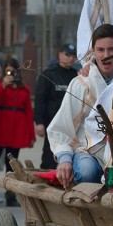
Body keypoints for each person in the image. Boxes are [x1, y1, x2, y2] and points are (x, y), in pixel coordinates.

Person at [49, 24, 113, 189]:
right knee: (87, 171)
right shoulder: (81, 84)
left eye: (111, 49)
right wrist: (65, 159)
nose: (106, 56)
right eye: (100, 50)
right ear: (93, 51)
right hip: (87, 150)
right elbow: (62, 126)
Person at [0, 58, 35, 206]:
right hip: (0, 127)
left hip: (17, 129)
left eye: (13, 71)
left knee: (12, 164)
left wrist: (31, 135)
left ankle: (11, 196)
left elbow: (28, 112)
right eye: (8, 71)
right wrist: (3, 84)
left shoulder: (25, 89)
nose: (11, 74)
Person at [34, 42, 78, 170]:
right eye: (67, 54)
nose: (70, 58)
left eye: (73, 55)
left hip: (71, 124)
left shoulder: (76, 76)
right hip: (51, 124)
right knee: (49, 156)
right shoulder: (48, 74)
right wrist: (39, 122)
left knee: (70, 156)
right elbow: (40, 99)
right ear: (59, 54)